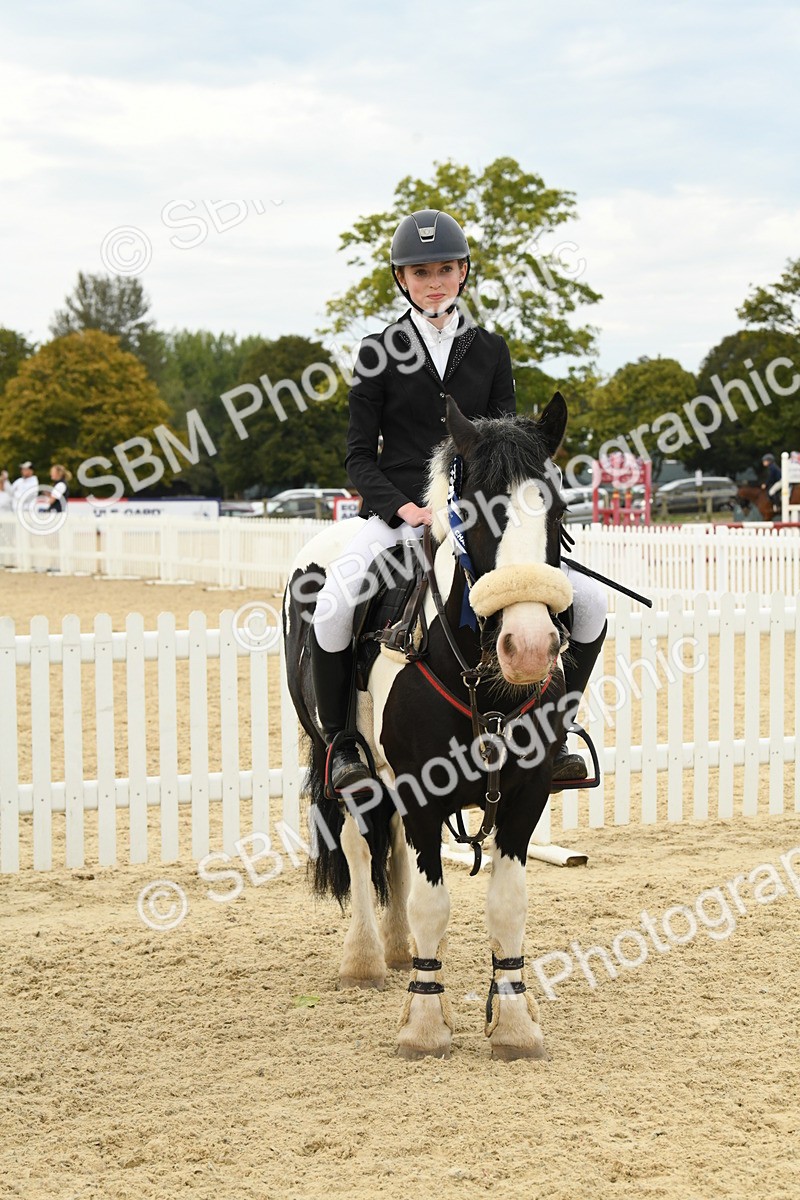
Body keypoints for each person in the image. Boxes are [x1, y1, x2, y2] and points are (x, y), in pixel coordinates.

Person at [311, 209, 607, 793]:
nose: (434, 283)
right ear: (402, 279)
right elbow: (358, 458)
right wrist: (405, 508)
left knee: (592, 602)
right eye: (421, 273)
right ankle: (341, 742)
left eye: (445, 270)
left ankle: (558, 732)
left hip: (479, 521)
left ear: (464, 272)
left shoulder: (490, 349)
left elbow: (508, 445)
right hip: (401, 515)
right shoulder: (376, 351)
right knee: (334, 605)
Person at [761, 453, 781, 517]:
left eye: (765, 461)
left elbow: (771, 478)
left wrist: (765, 484)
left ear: (769, 461)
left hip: (781, 481)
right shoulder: (772, 466)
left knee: (771, 492)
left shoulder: (772, 467)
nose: (763, 462)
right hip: (779, 480)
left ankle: (776, 506)